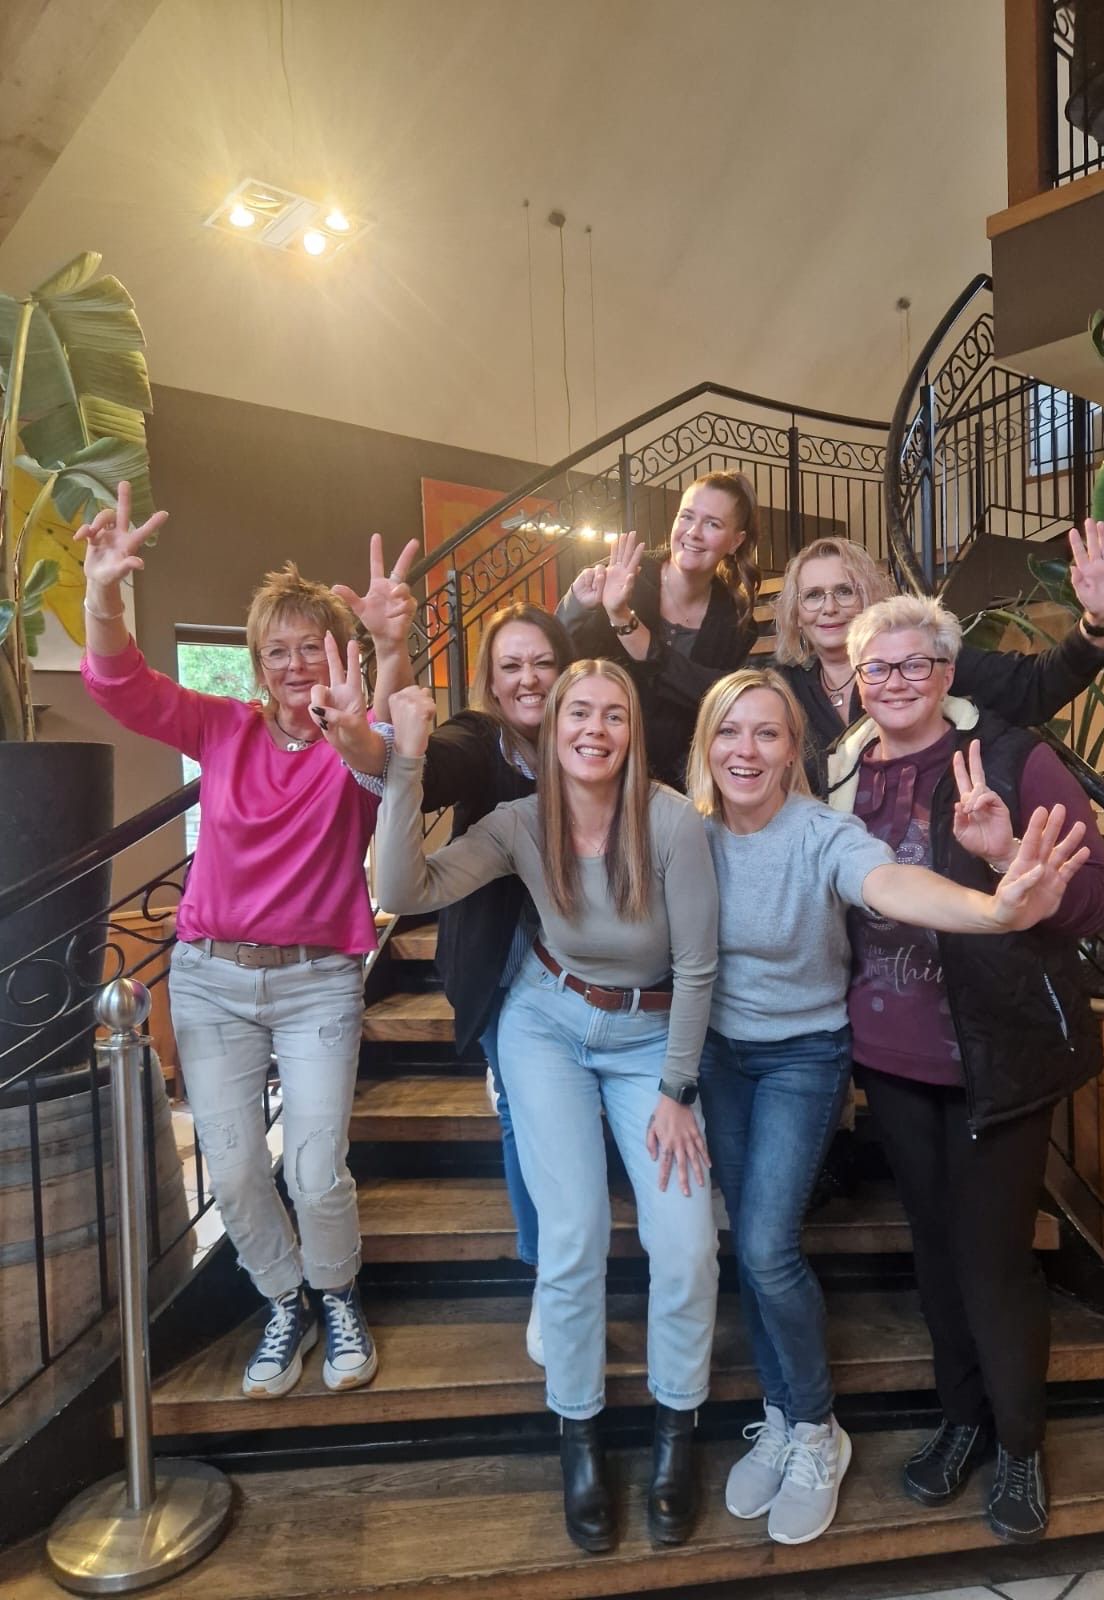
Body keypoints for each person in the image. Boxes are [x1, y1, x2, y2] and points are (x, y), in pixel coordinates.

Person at [686, 668, 1091, 1547]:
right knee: (750, 1245)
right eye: (729, 731)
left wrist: (991, 909)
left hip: (805, 1055)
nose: (745, 750)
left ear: (795, 751)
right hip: (720, 1059)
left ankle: (820, 1429)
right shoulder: (687, 835)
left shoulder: (825, 832)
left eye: (767, 732)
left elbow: (889, 883)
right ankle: (784, 1414)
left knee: (768, 1245)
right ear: (705, 744)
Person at [351, 658, 720, 1555]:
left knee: (686, 1242)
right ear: (552, 731)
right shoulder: (520, 821)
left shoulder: (672, 820)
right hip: (546, 1026)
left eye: (614, 715)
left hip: (650, 1040)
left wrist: (677, 1089)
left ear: (633, 733)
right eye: (578, 713)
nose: (595, 729)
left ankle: (677, 1429)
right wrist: (405, 768)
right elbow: (402, 892)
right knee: (573, 1233)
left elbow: (699, 967)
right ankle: (579, 1431)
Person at [77, 482, 417, 1399]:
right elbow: (121, 685)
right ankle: (283, 1301)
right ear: (258, 667)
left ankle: (337, 1295)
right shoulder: (224, 729)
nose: (297, 664)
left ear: (338, 653)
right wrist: (103, 595)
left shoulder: (356, 741)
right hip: (211, 981)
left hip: (318, 983)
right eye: (279, 651)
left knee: (314, 1169)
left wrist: (389, 649)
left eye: (314, 646)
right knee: (231, 1171)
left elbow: (384, 753)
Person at [826, 594, 1104, 1544]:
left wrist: (1005, 869)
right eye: (878, 667)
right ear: (855, 681)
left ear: (948, 674)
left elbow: (1097, 899)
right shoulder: (836, 772)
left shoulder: (1012, 757)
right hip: (890, 1057)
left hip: (999, 1053)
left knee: (993, 1259)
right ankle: (963, 1420)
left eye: (916, 664)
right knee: (936, 1250)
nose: (897, 682)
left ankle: (1020, 1442)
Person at [326, 601, 575, 1365]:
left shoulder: (594, 732)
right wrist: (370, 711)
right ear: (490, 682)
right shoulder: (478, 738)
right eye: (511, 665)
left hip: (587, 959)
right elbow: (417, 765)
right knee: (523, 1117)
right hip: (502, 959)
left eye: (543, 662)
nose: (528, 678)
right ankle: (547, 1273)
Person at [771, 520, 1104, 789]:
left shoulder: (928, 664)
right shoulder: (781, 689)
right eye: (813, 596)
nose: (829, 608)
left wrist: (1097, 624)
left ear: (870, 600)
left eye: (845, 591)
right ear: (796, 614)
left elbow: (1033, 685)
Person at [558, 471, 761, 785]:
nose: (693, 532)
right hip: (593, 761)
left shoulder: (735, 622)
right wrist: (577, 603)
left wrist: (624, 620)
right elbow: (557, 657)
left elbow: (711, 698)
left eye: (712, 524)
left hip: (676, 778)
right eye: (686, 516)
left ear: (736, 541)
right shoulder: (627, 575)